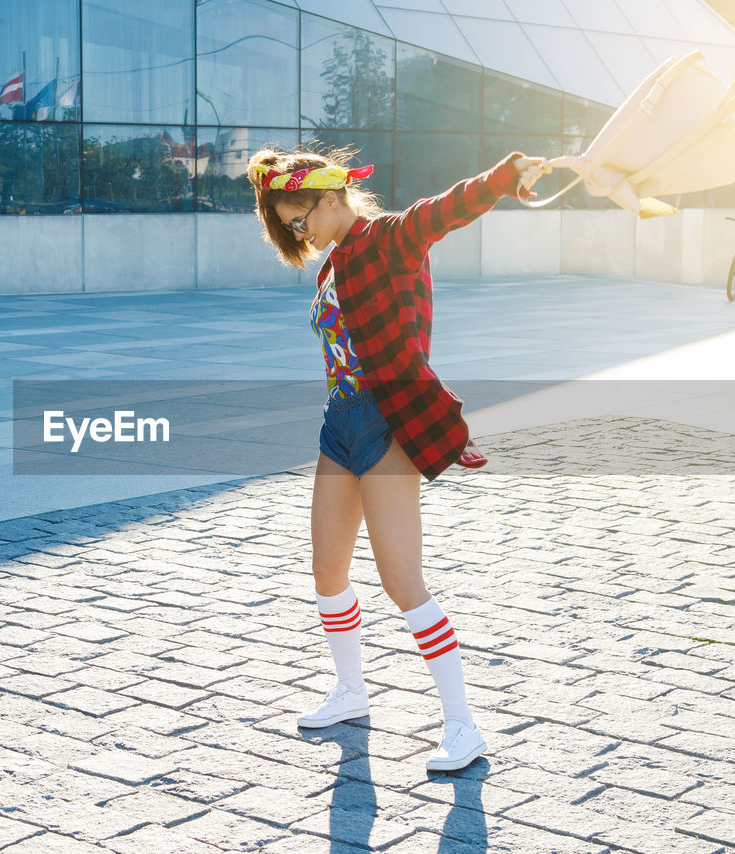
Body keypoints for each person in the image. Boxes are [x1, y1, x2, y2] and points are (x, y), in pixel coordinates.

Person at [247, 147, 550, 771]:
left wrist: (502, 177)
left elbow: (441, 212)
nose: (298, 233)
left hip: (388, 423)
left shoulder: (388, 241)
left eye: (300, 219)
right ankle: (352, 692)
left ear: (332, 199)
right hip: (341, 423)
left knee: (401, 582)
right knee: (327, 569)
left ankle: (462, 726)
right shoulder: (330, 266)